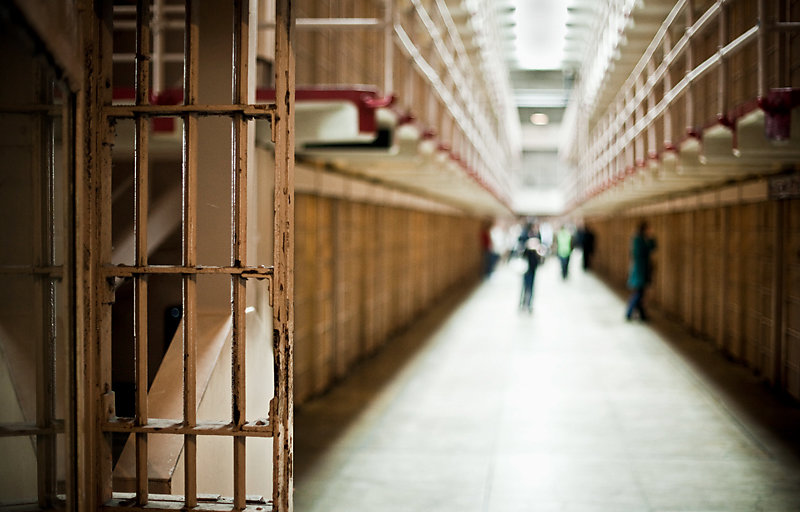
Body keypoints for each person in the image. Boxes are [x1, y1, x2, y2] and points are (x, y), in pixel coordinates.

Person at [626, 220, 656, 321]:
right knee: (639, 293)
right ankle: (629, 312)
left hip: (641, 270)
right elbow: (649, 248)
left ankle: (641, 314)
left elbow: (653, 247)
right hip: (640, 271)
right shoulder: (639, 240)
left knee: (641, 293)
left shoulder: (639, 239)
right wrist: (650, 238)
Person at [519, 237, 543, 313]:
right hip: (527, 273)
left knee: (530, 289)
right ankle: (522, 304)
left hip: (532, 273)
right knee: (525, 288)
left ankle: (528, 304)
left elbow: (539, 262)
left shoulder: (535, 252)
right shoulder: (527, 251)